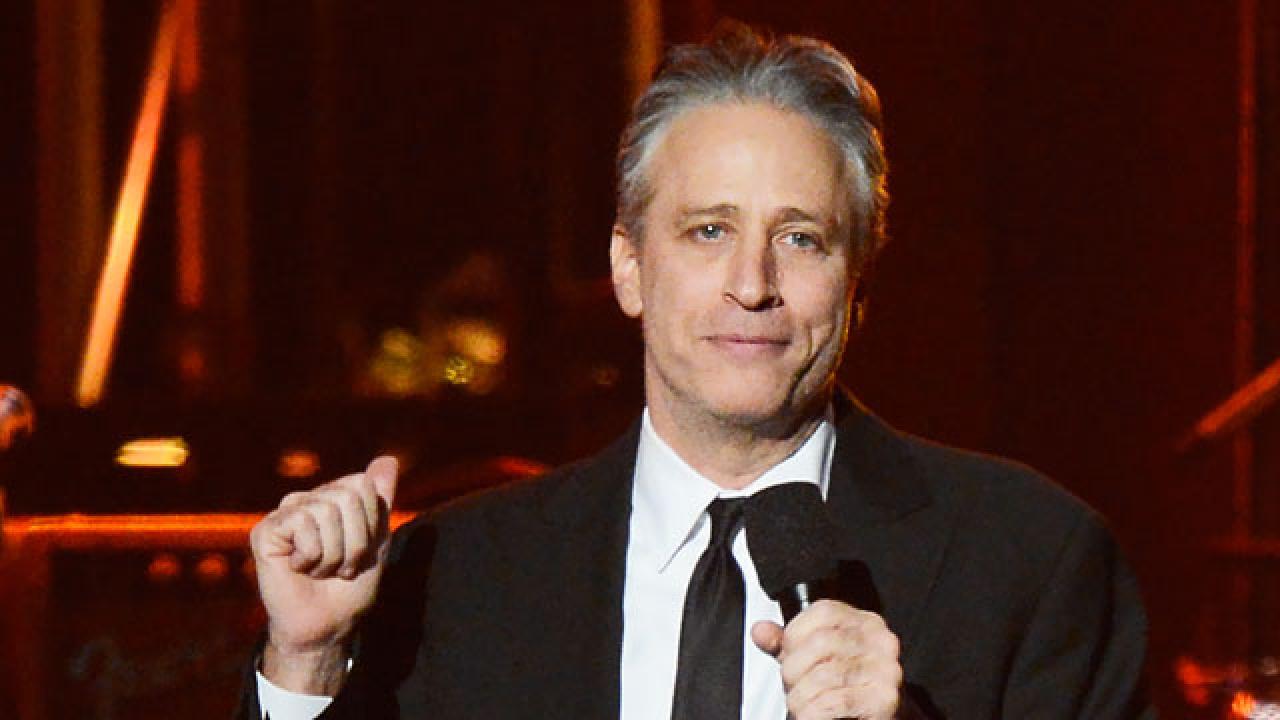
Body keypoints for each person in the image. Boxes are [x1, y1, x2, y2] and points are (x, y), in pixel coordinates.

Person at [241, 24, 1154, 720]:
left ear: (860, 284)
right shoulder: (461, 575)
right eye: (709, 230)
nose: (752, 285)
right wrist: (307, 665)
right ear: (628, 268)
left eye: (801, 238)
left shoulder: (1033, 564)